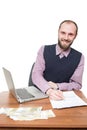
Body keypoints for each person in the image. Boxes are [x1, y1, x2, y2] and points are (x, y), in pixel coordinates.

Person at [32, 20, 84, 100]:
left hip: (62, 97)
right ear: (58, 32)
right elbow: (36, 75)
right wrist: (49, 90)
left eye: (70, 34)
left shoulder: (80, 57)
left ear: (75, 36)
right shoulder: (43, 50)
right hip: (41, 95)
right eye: (63, 33)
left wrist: (58, 86)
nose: (66, 38)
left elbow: (77, 84)